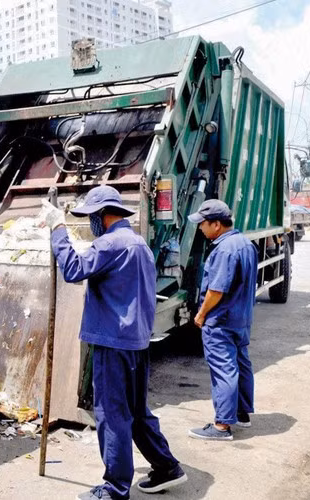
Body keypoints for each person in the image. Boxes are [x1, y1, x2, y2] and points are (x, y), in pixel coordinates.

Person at [41, 186, 187, 500]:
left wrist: (58, 230)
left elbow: (73, 269)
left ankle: (116, 487)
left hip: (113, 342)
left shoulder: (109, 243)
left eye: (92, 217)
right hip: (137, 341)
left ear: (103, 215)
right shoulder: (139, 244)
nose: (91, 223)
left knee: (112, 414)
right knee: (136, 412)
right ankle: (167, 467)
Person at [187, 199, 257, 441]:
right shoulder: (246, 244)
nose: (200, 228)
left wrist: (201, 314)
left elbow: (216, 290)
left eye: (203, 223)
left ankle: (221, 426)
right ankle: (241, 414)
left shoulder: (224, 250)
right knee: (241, 363)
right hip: (241, 318)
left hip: (221, 320)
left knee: (223, 369)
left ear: (216, 224)